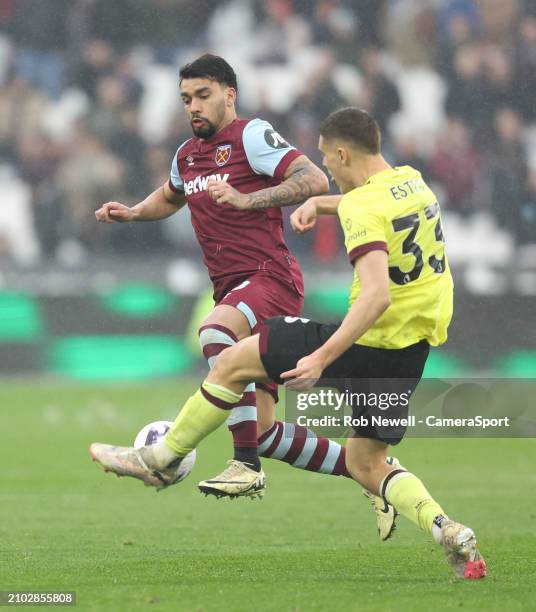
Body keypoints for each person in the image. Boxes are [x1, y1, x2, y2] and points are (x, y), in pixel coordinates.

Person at [91, 107, 487, 578]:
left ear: (342, 153)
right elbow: (374, 205)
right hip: (410, 354)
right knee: (367, 462)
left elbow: (376, 295)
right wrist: (323, 205)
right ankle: (447, 528)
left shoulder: (362, 207)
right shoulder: (412, 184)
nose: (326, 171)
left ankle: (163, 457)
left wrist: (321, 356)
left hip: (364, 344)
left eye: (326, 159)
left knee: (232, 360)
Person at [95, 54, 366, 501]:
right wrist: (134, 213)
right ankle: (369, 470)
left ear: (229, 94)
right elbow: (170, 196)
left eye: (203, 95)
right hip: (235, 286)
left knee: (214, 332)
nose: (194, 107)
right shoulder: (186, 156)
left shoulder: (251, 135)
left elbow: (314, 179)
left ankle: (244, 467)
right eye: (186, 99)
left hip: (270, 278)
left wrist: (249, 199)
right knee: (261, 430)